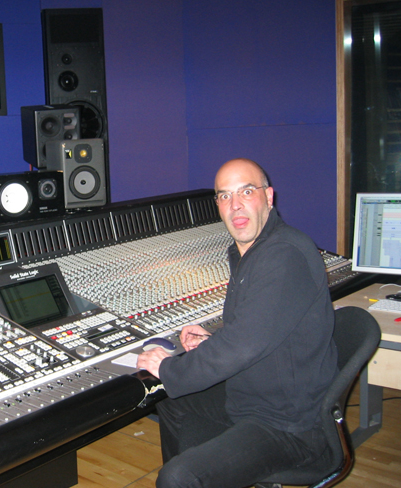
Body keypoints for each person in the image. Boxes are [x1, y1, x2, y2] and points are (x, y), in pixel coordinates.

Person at [137, 158, 338, 488]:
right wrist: (212, 340)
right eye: (225, 196)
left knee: (178, 478)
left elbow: (244, 344)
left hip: (289, 425)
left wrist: (169, 368)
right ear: (217, 204)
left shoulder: (284, 255)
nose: (235, 205)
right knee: (172, 401)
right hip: (253, 396)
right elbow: (257, 328)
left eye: (246, 191)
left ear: (268, 197)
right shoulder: (251, 252)